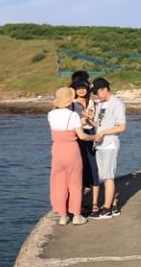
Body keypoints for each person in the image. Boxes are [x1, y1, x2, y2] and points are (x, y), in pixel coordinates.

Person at [48, 87, 97, 226]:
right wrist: (95, 136)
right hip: (71, 150)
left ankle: (63, 216)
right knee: (75, 184)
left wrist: (83, 121)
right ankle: (76, 215)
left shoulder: (50, 115)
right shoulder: (73, 115)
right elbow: (81, 135)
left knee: (59, 183)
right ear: (70, 100)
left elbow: (63, 126)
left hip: (57, 150)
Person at [85, 77, 127, 219]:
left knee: (108, 177)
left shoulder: (117, 104)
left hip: (110, 145)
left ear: (104, 89)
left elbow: (122, 127)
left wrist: (104, 133)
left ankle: (107, 208)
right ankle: (113, 206)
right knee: (104, 177)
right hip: (100, 145)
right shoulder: (102, 104)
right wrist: (88, 120)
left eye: (97, 92)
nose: (96, 95)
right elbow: (99, 125)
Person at [71, 78, 97, 198]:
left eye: (83, 88)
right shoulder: (71, 104)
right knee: (79, 165)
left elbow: (96, 121)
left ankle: (92, 199)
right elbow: (70, 123)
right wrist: (83, 120)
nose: (81, 90)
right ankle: (80, 196)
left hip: (90, 132)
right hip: (77, 134)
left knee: (91, 164)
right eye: (78, 88)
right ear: (74, 90)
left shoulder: (91, 102)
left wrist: (90, 119)